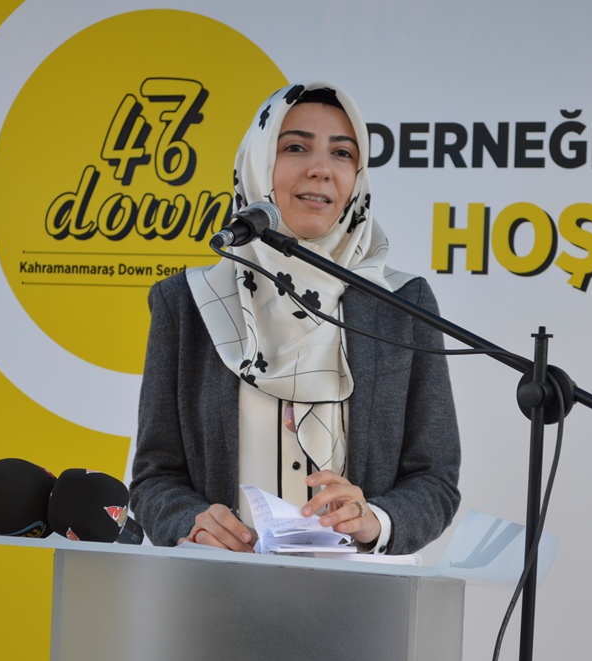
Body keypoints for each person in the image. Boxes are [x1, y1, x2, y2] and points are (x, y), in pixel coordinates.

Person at [128, 80, 460, 555]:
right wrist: (191, 521)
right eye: (296, 148)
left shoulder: (400, 303)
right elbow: (154, 477)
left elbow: (434, 478)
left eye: (342, 153)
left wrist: (375, 520)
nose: (321, 169)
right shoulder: (190, 302)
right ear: (258, 163)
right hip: (219, 586)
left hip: (357, 592)